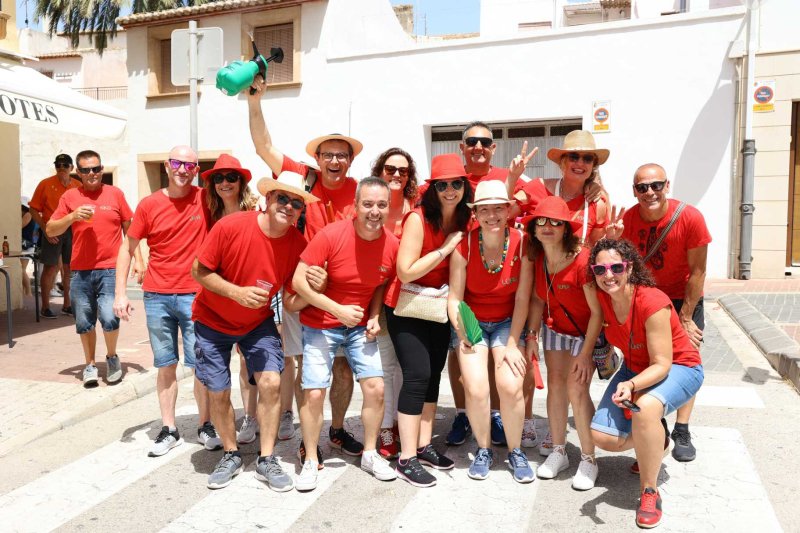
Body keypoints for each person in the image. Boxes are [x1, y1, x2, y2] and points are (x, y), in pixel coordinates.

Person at [247, 81, 362, 464]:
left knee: (342, 367)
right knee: (301, 365)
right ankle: (305, 432)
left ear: (350, 161)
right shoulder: (302, 177)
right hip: (300, 287)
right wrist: (255, 102)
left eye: (341, 155)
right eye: (328, 155)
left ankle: (337, 429)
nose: (334, 161)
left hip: (343, 292)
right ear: (317, 158)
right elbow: (264, 146)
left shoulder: (359, 191)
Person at [191, 171, 316, 491]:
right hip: (212, 320)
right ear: (268, 198)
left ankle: (267, 458)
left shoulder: (297, 244)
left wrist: (315, 290)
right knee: (218, 391)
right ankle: (231, 453)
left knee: (271, 382)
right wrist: (236, 293)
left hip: (257, 323)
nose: (289, 207)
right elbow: (199, 271)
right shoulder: (231, 226)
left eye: (297, 204)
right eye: (282, 198)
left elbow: (291, 300)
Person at [290, 177, 399, 491]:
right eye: (368, 204)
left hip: (358, 328)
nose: (374, 211)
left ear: (388, 208)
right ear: (356, 205)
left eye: (381, 205)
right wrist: (336, 309)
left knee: (376, 387)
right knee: (314, 391)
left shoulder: (391, 244)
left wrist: (374, 315)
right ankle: (311, 458)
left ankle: (369, 454)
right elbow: (298, 282)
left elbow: (379, 284)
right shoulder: (331, 234)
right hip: (320, 323)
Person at [588, 238, 704, 529]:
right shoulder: (602, 297)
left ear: (630, 268)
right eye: (600, 269)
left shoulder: (652, 301)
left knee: (646, 409)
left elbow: (662, 363)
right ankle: (655, 440)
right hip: (635, 367)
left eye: (616, 267)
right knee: (602, 437)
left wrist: (631, 384)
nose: (608, 275)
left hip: (680, 367)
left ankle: (649, 491)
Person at [113, 145, 220, 457]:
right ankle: (169, 428)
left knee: (201, 365)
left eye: (189, 165)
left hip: (196, 296)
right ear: (167, 166)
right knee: (165, 364)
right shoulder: (149, 204)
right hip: (157, 296)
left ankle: (205, 424)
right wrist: (120, 293)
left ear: (197, 170)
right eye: (177, 163)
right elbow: (127, 248)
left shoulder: (206, 199)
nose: (183, 170)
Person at [605, 163, 711, 464]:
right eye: (642, 187)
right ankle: (656, 421)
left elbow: (698, 272)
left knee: (686, 358)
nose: (649, 192)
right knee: (649, 360)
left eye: (656, 185)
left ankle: (682, 428)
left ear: (667, 186)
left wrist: (686, 316)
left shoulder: (690, 217)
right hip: (646, 300)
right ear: (634, 191)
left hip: (682, 299)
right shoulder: (628, 219)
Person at [383, 153, 470, 487]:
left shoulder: (464, 219)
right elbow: (405, 271)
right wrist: (445, 249)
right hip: (407, 304)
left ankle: (422, 446)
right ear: (432, 189)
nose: (450, 190)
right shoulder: (418, 219)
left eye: (456, 183)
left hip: (437, 306)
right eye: (442, 185)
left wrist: (463, 326)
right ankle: (405, 458)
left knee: (433, 376)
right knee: (417, 376)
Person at [447, 180, 535, 483]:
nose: (492, 215)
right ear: (475, 213)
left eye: (498, 208)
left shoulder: (522, 242)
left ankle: (515, 450)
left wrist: (512, 343)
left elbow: (522, 298)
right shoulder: (465, 245)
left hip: (508, 322)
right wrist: (463, 332)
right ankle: (484, 448)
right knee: (475, 387)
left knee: (510, 385)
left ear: (509, 210)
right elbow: (455, 299)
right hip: (471, 320)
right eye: (484, 210)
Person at [524, 196, 602, 490]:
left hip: (585, 332)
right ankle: (559, 450)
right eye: (541, 221)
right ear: (533, 229)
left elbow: (597, 312)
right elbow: (537, 299)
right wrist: (532, 335)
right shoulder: (539, 258)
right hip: (554, 328)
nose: (547, 227)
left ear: (566, 228)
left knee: (577, 390)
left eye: (556, 222)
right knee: (556, 385)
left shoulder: (583, 260)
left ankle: (589, 458)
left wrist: (585, 353)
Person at [199, 154, 274, 447]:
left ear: (241, 182)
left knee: (248, 362)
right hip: (217, 296)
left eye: (231, 177)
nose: (225, 183)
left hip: (252, 296)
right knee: (213, 369)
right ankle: (216, 422)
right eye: (219, 178)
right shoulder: (209, 212)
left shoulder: (256, 210)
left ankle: (250, 417)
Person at [47, 150, 139, 387]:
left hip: (111, 269)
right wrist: (72, 217)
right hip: (80, 271)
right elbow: (50, 229)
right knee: (84, 321)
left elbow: (131, 230)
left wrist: (138, 260)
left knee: (109, 317)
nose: (92, 173)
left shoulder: (115, 194)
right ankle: (89, 364)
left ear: (101, 169)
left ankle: (111, 357)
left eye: (96, 169)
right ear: (78, 172)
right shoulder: (70, 197)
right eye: (86, 170)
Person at [370, 147, 419, 458]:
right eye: (390, 169)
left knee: (407, 365)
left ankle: (403, 422)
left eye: (403, 170)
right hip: (378, 294)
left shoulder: (417, 204)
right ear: (380, 171)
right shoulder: (372, 205)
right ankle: (387, 428)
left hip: (411, 296)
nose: (397, 175)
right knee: (387, 365)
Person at [515, 130, 610, 247]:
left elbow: (595, 248)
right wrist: (512, 176)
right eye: (574, 157)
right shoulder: (537, 188)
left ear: (593, 165)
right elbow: (502, 214)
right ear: (563, 161)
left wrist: (612, 238)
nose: (580, 163)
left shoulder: (596, 204)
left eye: (587, 158)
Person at [28, 153, 81, 318]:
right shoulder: (45, 184)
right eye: (58, 165)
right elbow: (33, 209)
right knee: (50, 268)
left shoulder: (78, 185)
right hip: (53, 229)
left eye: (65, 165)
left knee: (70, 269)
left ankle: (67, 305)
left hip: (73, 231)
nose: (61, 168)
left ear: (72, 168)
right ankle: (45, 307)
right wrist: (45, 229)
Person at [20, 197, 35, 296]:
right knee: (21, 270)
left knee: (21, 270)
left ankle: (28, 293)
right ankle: (25, 292)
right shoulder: (26, 214)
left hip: (26, 245)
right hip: (24, 245)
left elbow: (19, 226)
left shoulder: (28, 214)